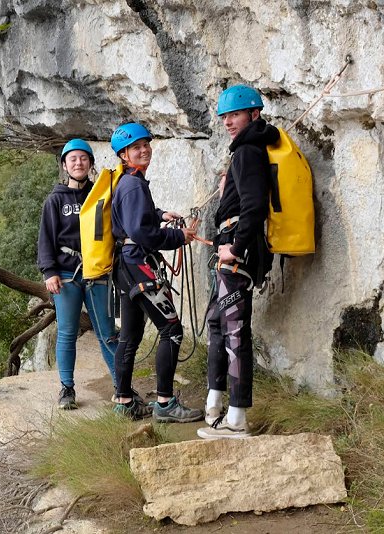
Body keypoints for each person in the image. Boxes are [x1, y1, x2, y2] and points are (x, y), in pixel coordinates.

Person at [196, 84, 278, 439]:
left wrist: (237, 246)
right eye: (225, 117)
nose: (228, 122)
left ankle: (237, 419)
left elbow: (255, 206)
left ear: (254, 114)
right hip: (232, 249)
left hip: (236, 252)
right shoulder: (248, 150)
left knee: (233, 330)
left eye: (235, 115)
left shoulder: (247, 151)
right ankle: (215, 405)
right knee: (218, 324)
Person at [109, 122, 203, 423]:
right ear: (124, 155)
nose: (144, 150)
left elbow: (134, 218)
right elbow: (141, 232)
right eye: (136, 147)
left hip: (125, 266)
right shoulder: (133, 184)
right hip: (139, 265)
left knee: (130, 335)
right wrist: (178, 237)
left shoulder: (129, 181)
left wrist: (160, 214)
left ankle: (124, 401)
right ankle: (165, 403)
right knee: (172, 330)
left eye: (146, 145)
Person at [37, 138, 119, 409]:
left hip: (97, 272)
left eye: (83, 158)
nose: (78, 163)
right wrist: (49, 271)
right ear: (64, 165)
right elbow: (45, 238)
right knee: (67, 332)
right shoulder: (55, 200)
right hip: (66, 273)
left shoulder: (100, 195)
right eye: (72, 159)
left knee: (107, 331)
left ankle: (122, 386)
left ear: (91, 163)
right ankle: (67, 388)